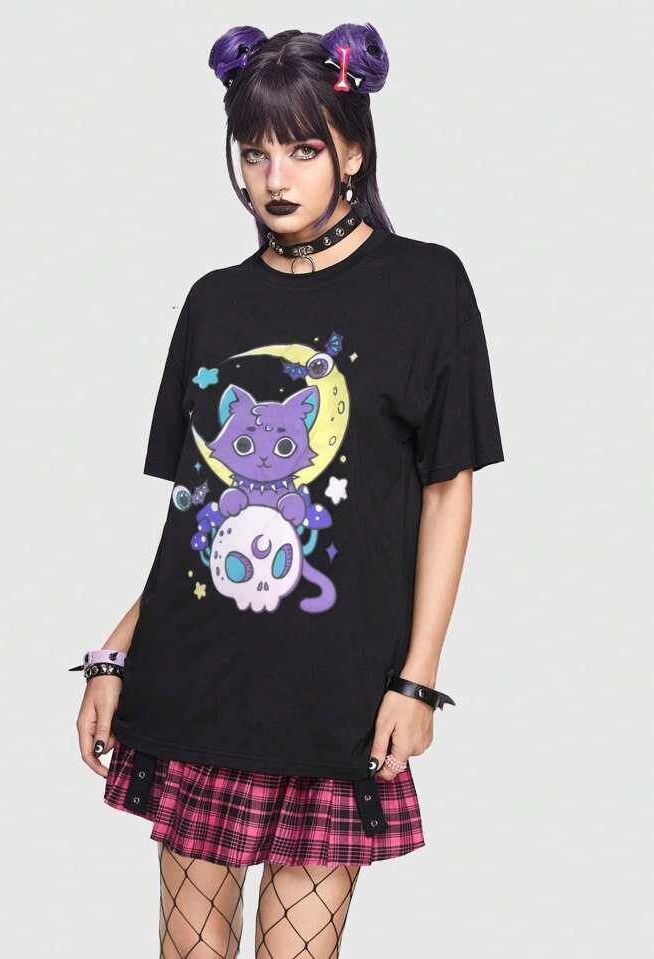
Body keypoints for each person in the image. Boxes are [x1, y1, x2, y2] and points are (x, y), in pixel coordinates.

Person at [72, 22, 505, 958]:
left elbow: (448, 492)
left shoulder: (427, 286)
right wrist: (113, 653)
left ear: (352, 152)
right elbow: (196, 516)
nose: (275, 178)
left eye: (303, 149)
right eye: (255, 151)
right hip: (195, 686)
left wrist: (418, 678)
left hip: (335, 699)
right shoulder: (213, 301)